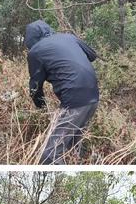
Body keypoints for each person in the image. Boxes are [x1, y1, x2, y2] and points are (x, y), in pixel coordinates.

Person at [25, 20, 99, 164]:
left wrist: (43, 109)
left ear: (30, 38)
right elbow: (92, 55)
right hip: (93, 96)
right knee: (73, 143)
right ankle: (79, 162)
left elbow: (35, 87)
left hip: (75, 100)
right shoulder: (69, 37)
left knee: (49, 155)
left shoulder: (35, 52)